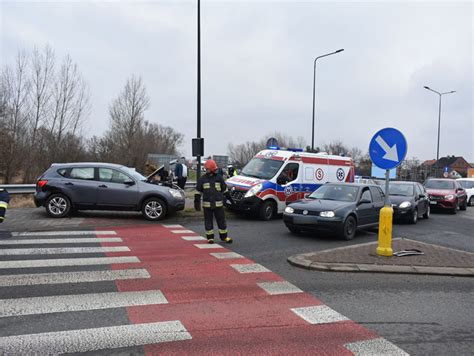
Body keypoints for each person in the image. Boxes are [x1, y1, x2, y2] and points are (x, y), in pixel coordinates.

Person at [194, 159, 233, 244]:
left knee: (221, 221)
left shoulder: (219, 178)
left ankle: (224, 237)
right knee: (208, 221)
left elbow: (225, 190)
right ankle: (210, 238)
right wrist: (196, 203)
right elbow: (198, 192)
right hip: (207, 206)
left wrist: (230, 199)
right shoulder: (202, 179)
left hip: (219, 205)